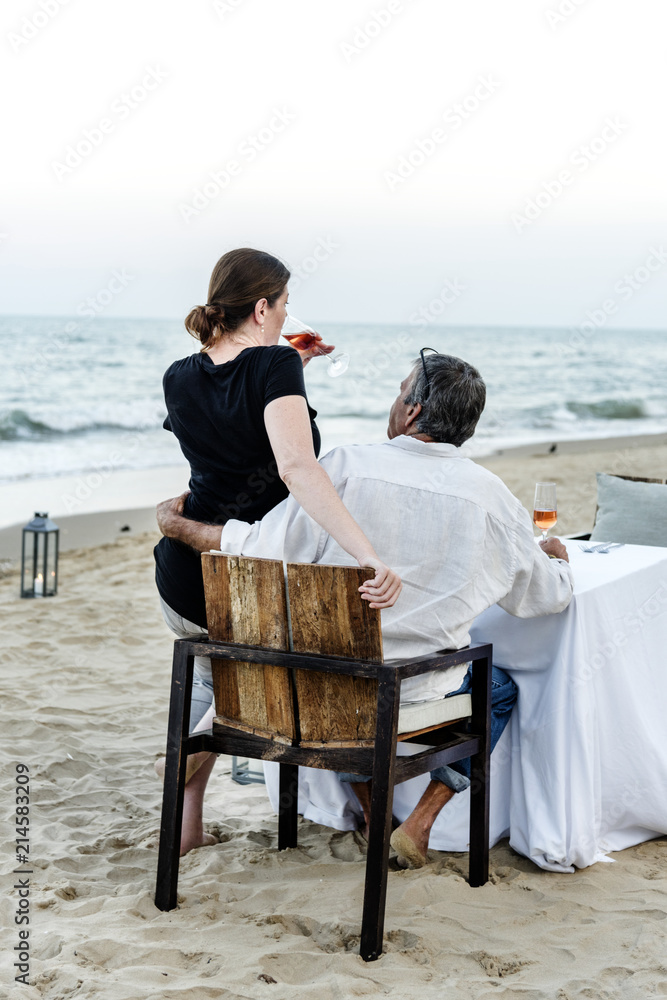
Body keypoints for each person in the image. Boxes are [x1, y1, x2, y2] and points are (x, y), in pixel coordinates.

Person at [156, 351, 574, 863]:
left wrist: (180, 527)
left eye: (400, 390)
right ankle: (418, 823)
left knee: (358, 670)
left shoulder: (345, 469)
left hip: (310, 694)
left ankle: (378, 817)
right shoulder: (491, 497)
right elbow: (546, 598)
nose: (394, 400)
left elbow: (257, 545)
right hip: (403, 707)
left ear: (413, 411)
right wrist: (556, 559)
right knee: (498, 688)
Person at [154, 249, 401, 800]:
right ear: (262, 307)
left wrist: (293, 366)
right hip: (247, 582)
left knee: (207, 671)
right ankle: (361, 807)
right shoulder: (275, 366)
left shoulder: (178, 375)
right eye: (286, 304)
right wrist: (369, 555)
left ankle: (185, 815)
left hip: (181, 580)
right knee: (293, 657)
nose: (290, 315)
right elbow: (293, 466)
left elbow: (233, 431)